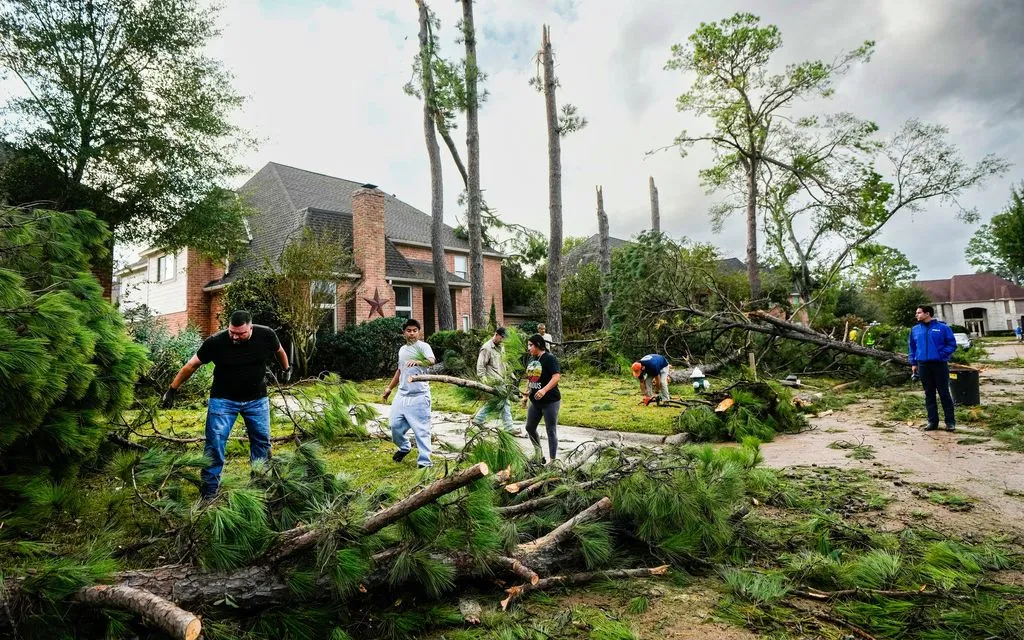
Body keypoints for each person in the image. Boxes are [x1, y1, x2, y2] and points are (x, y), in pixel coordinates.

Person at [161, 310, 290, 499]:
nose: (235, 337)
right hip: (223, 401)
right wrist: (172, 390)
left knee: (261, 442)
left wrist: (286, 368)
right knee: (215, 443)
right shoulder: (216, 342)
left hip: (257, 400)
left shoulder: (266, 335)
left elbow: (279, 351)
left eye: (240, 333)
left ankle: (259, 486)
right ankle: (209, 491)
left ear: (251, 327)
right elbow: (192, 365)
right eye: (232, 332)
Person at [382, 318, 436, 468]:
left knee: (421, 430)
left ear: (419, 332)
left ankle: (424, 463)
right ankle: (405, 447)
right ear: (404, 333)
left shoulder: (424, 347)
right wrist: (389, 388)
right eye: (409, 331)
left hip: (419, 396)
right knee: (394, 425)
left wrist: (419, 362)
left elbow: (431, 361)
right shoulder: (402, 350)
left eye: (415, 331)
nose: (412, 333)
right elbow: (400, 371)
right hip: (402, 395)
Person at [908, 305, 957, 432]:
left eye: (919, 313)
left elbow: (952, 344)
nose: (916, 315)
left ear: (927, 313)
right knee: (929, 394)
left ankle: (950, 422)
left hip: (939, 364)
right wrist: (913, 363)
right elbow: (912, 348)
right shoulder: (915, 330)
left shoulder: (943, 328)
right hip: (923, 365)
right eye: (916, 313)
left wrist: (941, 354)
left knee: (944, 393)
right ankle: (932, 422)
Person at [472, 327, 521, 435]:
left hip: (502, 379)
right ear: (496, 334)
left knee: (494, 402)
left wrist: (511, 374)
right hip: (493, 381)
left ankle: (478, 419)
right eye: (502, 337)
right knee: (505, 402)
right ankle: (509, 428)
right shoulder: (486, 348)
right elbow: (480, 367)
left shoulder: (501, 347)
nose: (503, 340)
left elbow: (504, 362)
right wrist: (485, 382)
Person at [522, 334, 561, 462]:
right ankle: (539, 455)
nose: (528, 348)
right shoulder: (532, 359)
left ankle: (553, 461)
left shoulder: (549, 358)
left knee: (551, 430)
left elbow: (556, 377)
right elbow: (530, 377)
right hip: (535, 401)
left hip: (550, 401)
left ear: (538, 345)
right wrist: (526, 395)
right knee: (529, 427)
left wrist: (544, 390)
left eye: (530, 345)